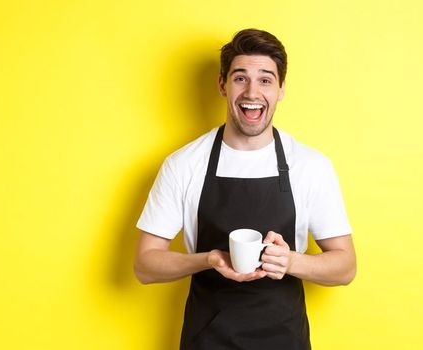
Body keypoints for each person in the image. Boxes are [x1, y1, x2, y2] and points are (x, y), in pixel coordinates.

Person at [133, 28, 356, 350]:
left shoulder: (310, 165)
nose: (252, 91)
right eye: (240, 78)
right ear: (222, 85)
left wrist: (291, 261)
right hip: (206, 340)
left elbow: (345, 267)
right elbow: (145, 266)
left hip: (285, 339)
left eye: (265, 79)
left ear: (280, 89)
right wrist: (209, 259)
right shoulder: (183, 164)